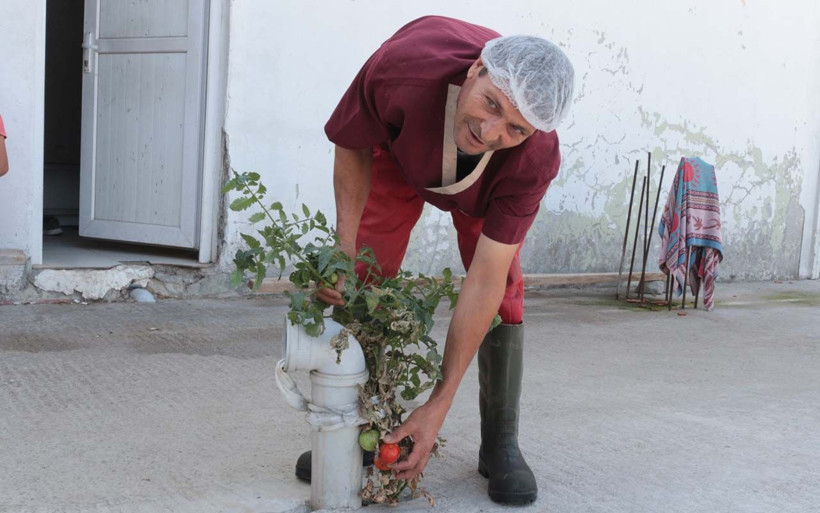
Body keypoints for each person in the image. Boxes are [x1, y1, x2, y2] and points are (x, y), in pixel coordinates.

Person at [301, 15, 574, 505]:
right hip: (400, 157)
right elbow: (354, 141)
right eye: (490, 104)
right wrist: (343, 248)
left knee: (505, 292)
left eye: (515, 127)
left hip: (483, 196)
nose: (490, 131)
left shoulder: (533, 156)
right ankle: (359, 422)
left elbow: (487, 276)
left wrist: (438, 405)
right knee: (363, 270)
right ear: (475, 69)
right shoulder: (402, 69)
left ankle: (499, 441)